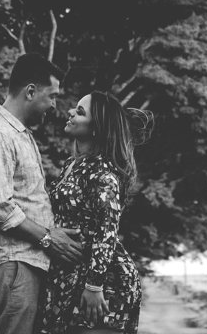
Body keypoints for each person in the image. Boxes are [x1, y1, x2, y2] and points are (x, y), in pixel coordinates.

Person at [0, 53, 85, 334]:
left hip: (23, 264)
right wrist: (48, 239)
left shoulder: (17, 134)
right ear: (31, 91)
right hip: (11, 265)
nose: (55, 106)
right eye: (52, 96)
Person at [41, 91, 151, 334]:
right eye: (75, 108)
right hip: (70, 277)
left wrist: (93, 286)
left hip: (103, 283)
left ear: (96, 129)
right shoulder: (72, 165)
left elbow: (107, 233)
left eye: (80, 112)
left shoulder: (103, 173)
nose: (70, 112)